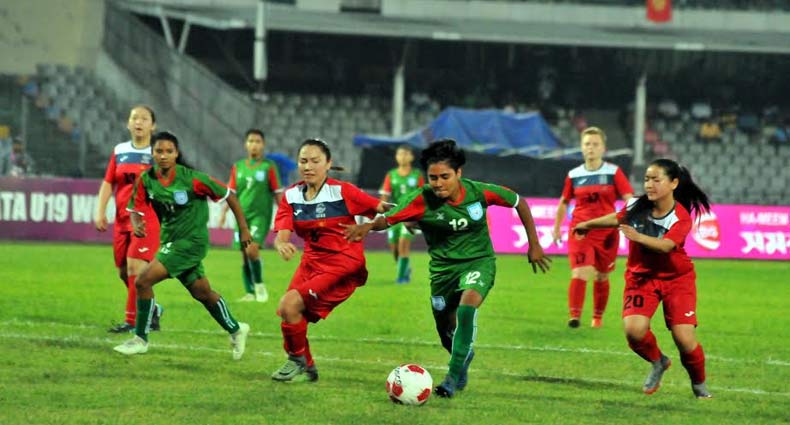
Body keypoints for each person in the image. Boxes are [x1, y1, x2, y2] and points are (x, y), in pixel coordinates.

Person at [343, 139, 552, 398]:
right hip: (442, 272)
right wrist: (367, 226)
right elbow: (388, 219)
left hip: (479, 262)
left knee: (467, 308)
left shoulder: (479, 192)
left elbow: (519, 202)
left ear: (458, 173)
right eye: (433, 178)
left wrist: (534, 244)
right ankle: (462, 355)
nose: (439, 183)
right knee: (445, 332)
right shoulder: (421, 199)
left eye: (445, 176)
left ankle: (451, 378)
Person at [574, 158, 713, 399]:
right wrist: (588, 224)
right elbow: (617, 218)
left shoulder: (680, 217)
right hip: (641, 278)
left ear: (673, 183)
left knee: (684, 339)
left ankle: (699, 385)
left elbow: (666, 246)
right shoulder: (636, 205)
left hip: (676, 280)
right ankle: (659, 361)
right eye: (647, 179)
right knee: (633, 331)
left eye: (656, 180)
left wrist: (637, 237)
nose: (649, 184)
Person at [113, 131, 251, 359]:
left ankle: (140, 339)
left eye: (169, 151)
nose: (163, 155)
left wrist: (244, 229)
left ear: (176, 153)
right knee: (202, 292)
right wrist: (137, 223)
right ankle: (236, 329)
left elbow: (229, 195)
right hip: (170, 241)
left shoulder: (193, 179)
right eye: (159, 151)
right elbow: (135, 208)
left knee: (142, 281)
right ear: (152, 153)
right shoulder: (146, 180)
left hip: (191, 242)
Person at [270, 138, 390, 383]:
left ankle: (296, 361)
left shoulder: (342, 191)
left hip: (343, 261)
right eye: (303, 161)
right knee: (289, 312)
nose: (308, 166)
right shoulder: (291, 196)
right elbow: (282, 232)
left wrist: (414, 212)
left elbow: (383, 208)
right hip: (311, 261)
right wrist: (281, 243)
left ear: (328, 164)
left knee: (289, 305)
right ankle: (308, 368)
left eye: (315, 161)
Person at [552, 127, 633, 329]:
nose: (591, 148)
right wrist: (557, 227)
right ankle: (575, 316)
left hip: (607, 232)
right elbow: (564, 202)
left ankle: (597, 317)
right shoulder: (574, 175)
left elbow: (629, 198)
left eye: (595, 144)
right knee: (581, 271)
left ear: (603, 148)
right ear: (581, 147)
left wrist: (631, 217)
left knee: (601, 275)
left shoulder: (613, 172)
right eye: (587, 144)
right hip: (581, 230)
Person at [95, 105, 162, 333]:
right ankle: (152, 308)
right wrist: (100, 211)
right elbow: (108, 182)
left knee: (135, 268)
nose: (138, 122)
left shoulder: (158, 153)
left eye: (144, 119)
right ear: (128, 123)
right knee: (124, 272)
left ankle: (132, 321)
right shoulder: (120, 151)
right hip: (122, 220)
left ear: (153, 126)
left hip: (145, 220)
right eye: (134, 118)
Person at [218, 129, 283, 302]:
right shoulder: (238, 167)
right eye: (251, 141)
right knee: (244, 254)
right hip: (241, 217)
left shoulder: (268, 166)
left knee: (251, 249)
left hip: (260, 217)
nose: (254, 145)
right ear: (246, 144)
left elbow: (277, 192)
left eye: (257, 141)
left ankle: (260, 286)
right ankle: (249, 292)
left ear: (263, 145)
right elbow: (231, 192)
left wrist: (284, 214)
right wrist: (223, 212)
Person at [378, 144, 425, 283]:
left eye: (405, 154)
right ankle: (405, 269)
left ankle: (401, 279)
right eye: (399, 154)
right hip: (394, 216)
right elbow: (385, 196)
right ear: (396, 157)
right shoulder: (391, 175)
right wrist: (382, 208)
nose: (402, 157)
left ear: (411, 157)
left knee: (403, 244)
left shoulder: (417, 175)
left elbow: (423, 195)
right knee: (394, 249)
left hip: (411, 216)